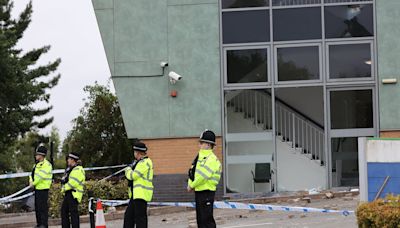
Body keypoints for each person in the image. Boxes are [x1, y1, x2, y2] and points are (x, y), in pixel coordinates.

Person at [187, 130, 222, 228]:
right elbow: (192, 171)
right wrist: (190, 183)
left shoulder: (211, 159)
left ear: (208, 145)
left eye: (201, 142)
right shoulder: (199, 157)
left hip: (207, 192)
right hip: (199, 192)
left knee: (207, 221)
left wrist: (191, 185)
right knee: (201, 221)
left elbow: (202, 176)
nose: (199, 145)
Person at [123, 142, 154, 228]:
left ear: (138, 152)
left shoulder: (145, 162)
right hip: (135, 195)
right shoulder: (138, 162)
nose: (134, 154)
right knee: (128, 218)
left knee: (140, 220)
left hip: (141, 194)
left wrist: (128, 170)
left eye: (134, 152)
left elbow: (133, 176)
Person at [29, 144, 53, 228]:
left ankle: (44, 224)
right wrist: (31, 182)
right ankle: (39, 224)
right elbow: (31, 174)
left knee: (43, 208)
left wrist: (33, 183)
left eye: (37, 154)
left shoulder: (47, 165)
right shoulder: (36, 165)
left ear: (41, 155)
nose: (36, 156)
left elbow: (40, 177)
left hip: (43, 189)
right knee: (37, 208)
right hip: (37, 189)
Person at [60, 152, 85, 228]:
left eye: (69, 159)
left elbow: (72, 183)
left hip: (74, 194)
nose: (67, 160)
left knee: (73, 214)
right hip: (69, 194)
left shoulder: (78, 170)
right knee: (64, 212)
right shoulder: (70, 169)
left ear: (73, 160)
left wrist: (63, 188)